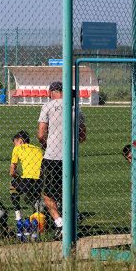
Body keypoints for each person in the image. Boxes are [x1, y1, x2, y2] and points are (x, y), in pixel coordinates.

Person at [37, 81, 86, 238]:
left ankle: (61, 223)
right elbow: (83, 136)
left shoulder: (48, 106)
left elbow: (40, 134)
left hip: (52, 156)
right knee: (66, 191)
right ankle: (71, 221)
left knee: (46, 193)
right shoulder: (76, 109)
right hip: (70, 156)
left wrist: (46, 144)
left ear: (52, 92)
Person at [9, 130, 44, 221]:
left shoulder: (17, 148)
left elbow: (12, 172)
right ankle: (37, 210)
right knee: (33, 194)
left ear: (20, 140)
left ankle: (18, 215)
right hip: (41, 181)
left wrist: (17, 177)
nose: (15, 145)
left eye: (15, 143)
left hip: (27, 180)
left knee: (13, 185)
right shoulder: (38, 149)